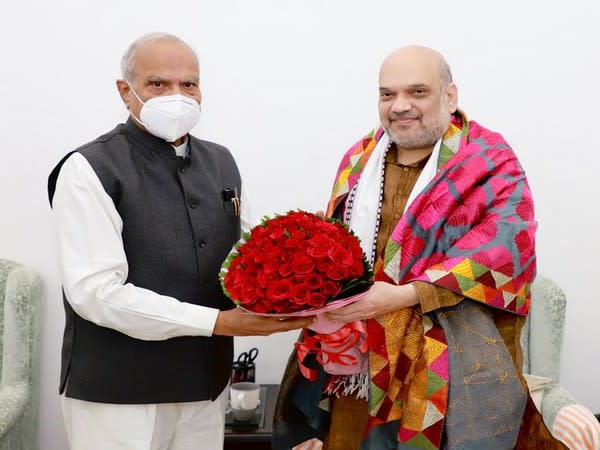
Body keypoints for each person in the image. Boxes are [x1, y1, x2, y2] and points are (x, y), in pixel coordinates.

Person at [272, 46, 567, 449]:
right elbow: (335, 246)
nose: (400, 106)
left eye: (417, 92)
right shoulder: (359, 159)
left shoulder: (489, 161)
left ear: (450, 96)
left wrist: (403, 296)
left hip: (451, 365)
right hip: (358, 360)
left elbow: (507, 248)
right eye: (387, 94)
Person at [47, 32, 312, 450]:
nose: (177, 95)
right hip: (119, 393)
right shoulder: (88, 168)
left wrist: (310, 282)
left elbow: (246, 252)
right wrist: (221, 323)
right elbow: (94, 292)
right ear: (125, 90)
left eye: (188, 84)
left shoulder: (221, 161)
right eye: (158, 84)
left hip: (205, 385)